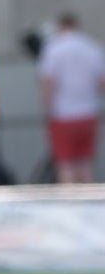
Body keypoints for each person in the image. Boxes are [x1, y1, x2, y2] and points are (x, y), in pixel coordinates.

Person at [38, 13, 105, 183]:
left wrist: (47, 110)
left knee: (65, 164)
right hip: (88, 113)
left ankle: (69, 206)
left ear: (61, 26)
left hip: (63, 114)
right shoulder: (92, 47)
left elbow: (49, 83)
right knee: (85, 164)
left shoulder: (54, 48)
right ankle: (89, 207)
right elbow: (101, 83)